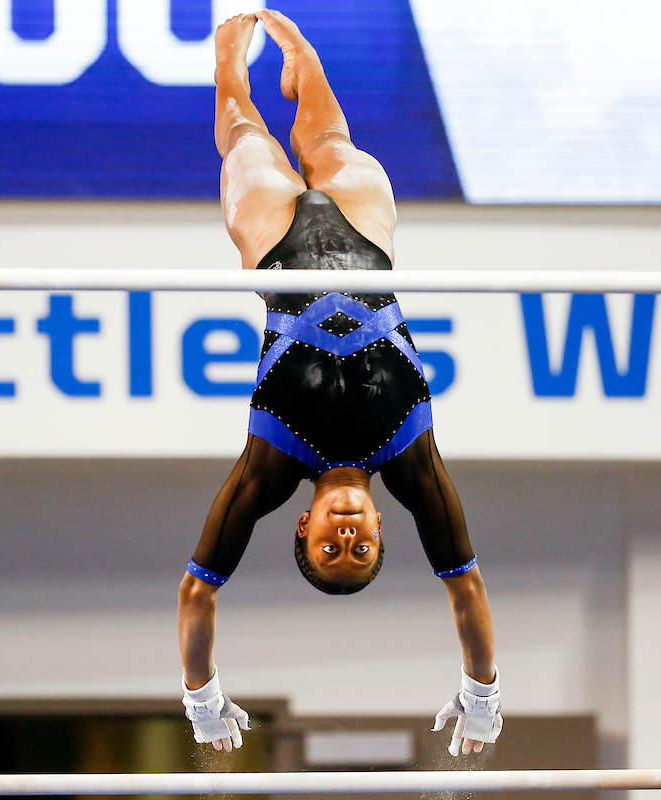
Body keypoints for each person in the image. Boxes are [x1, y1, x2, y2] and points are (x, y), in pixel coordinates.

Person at [177, 9, 501, 758]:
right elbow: (465, 588)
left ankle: (231, 48)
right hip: (365, 236)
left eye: (332, 551)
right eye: (362, 551)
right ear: (386, 529)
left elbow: (199, 589)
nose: (348, 540)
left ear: (304, 528)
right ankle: (303, 56)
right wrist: (483, 692)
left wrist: (201, 699)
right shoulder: (414, 464)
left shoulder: (270, 467)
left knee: (242, 129)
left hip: (275, 247)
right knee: (329, 143)